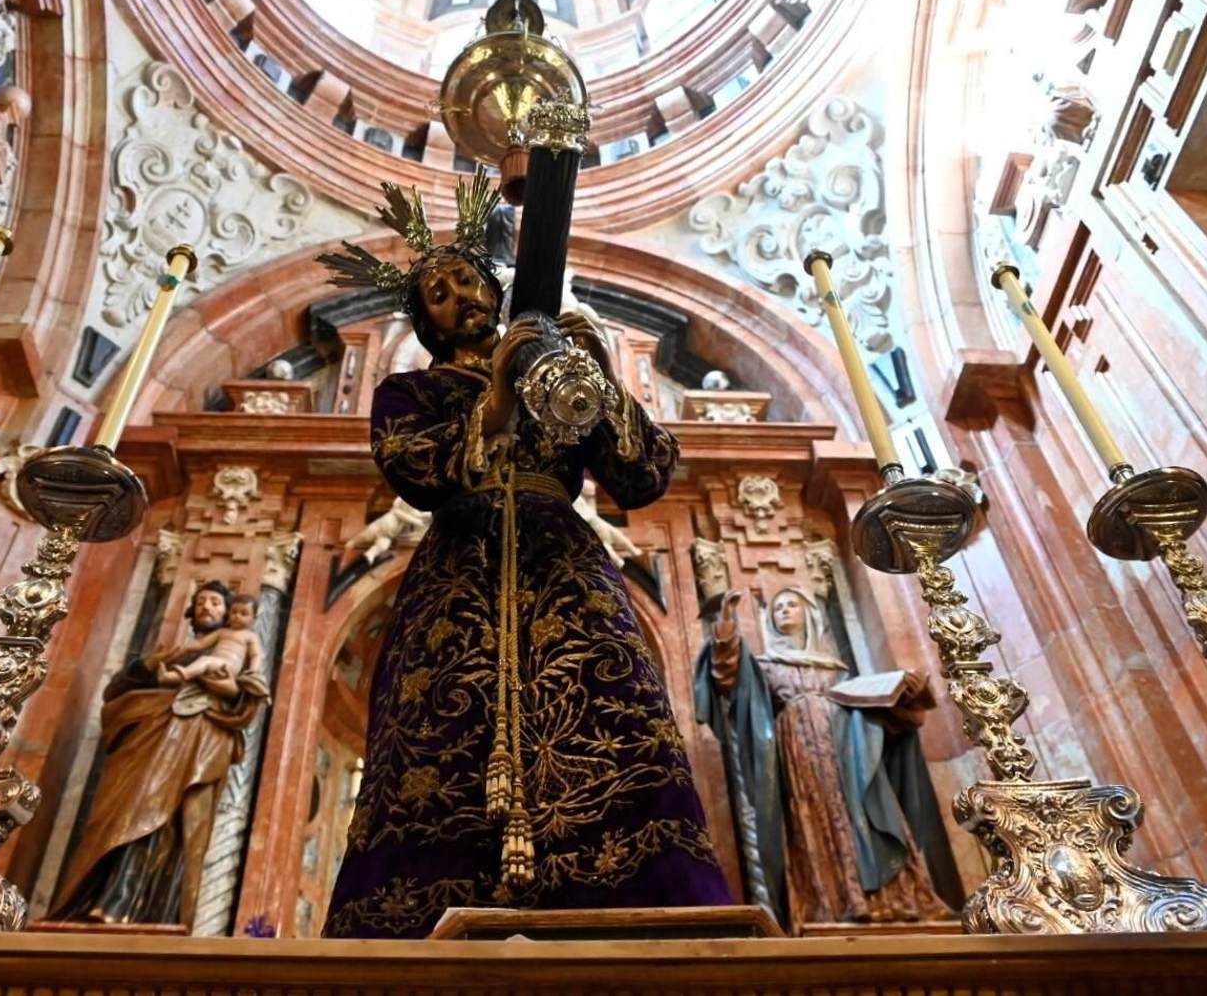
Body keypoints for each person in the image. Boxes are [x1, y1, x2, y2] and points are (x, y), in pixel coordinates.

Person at [316, 172, 731, 937]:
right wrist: (497, 399)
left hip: (565, 567)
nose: (459, 296)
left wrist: (599, 380)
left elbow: (643, 474)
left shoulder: (553, 373)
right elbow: (413, 467)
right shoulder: (407, 392)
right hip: (455, 576)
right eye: (438, 292)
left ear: (495, 287)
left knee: (614, 711)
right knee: (437, 734)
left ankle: (644, 903)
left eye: (467, 279)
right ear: (427, 320)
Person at [698, 587, 952, 928]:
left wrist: (905, 695)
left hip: (847, 748)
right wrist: (726, 625)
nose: (785, 611)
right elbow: (726, 678)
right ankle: (832, 903)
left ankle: (894, 899)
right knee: (815, 814)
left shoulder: (836, 669)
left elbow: (870, 712)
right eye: (778, 608)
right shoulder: (765, 665)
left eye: (792, 605)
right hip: (798, 751)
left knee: (862, 814)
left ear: (810, 614)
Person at [51, 581, 268, 927]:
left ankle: (154, 912)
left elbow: (247, 700)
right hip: (147, 744)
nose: (206, 607)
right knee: (126, 812)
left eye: (215, 602)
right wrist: (151, 666)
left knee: (176, 828)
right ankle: (97, 900)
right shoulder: (173, 654)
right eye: (200, 601)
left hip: (201, 743)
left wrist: (226, 690)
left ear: (229, 612)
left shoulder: (234, 657)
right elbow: (117, 691)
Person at [158, 593, 268, 695]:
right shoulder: (222, 632)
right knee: (200, 670)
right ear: (228, 614)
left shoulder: (250, 636)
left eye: (244, 614)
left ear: (253, 619)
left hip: (229, 667)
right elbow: (201, 643)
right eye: (234, 612)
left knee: (205, 660)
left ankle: (185, 673)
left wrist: (253, 671)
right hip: (215, 664)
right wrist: (186, 647)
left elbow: (255, 655)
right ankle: (170, 677)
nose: (237, 616)